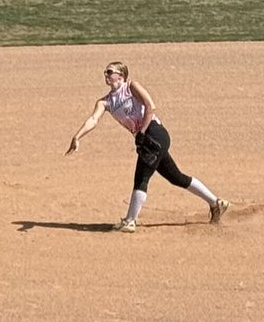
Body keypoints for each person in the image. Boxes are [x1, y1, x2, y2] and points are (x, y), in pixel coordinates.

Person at [65, 61, 229, 233]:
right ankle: (216, 203)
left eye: (110, 71)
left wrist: (142, 132)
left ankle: (130, 221)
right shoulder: (105, 102)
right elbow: (93, 120)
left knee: (141, 178)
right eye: (105, 72)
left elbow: (151, 106)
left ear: (121, 75)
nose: (106, 74)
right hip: (146, 139)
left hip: (154, 133)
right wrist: (77, 136)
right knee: (177, 177)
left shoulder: (131, 87)